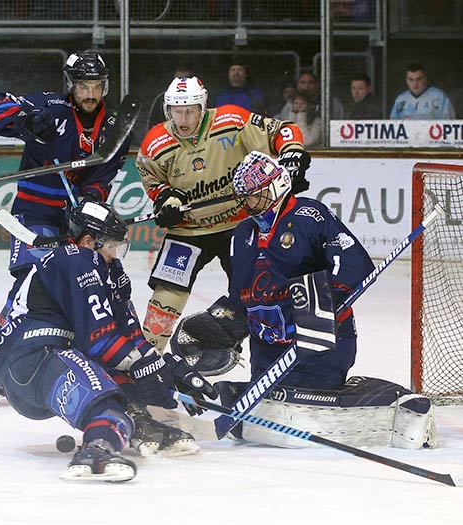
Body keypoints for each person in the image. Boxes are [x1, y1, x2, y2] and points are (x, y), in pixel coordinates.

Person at [171, 151, 436, 449]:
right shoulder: (242, 234)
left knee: (308, 399)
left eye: (254, 197)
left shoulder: (310, 216)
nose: (248, 205)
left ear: (274, 188)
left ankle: (396, 402)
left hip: (317, 344)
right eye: (244, 198)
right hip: (269, 351)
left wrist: (327, 300)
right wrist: (221, 322)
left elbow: (353, 264)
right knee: (273, 404)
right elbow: (242, 297)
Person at [0, 200, 217, 482]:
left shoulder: (109, 272)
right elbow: (99, 341)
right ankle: (95, 452)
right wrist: (149, 368)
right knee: (106, 403)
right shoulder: (75, 259)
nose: (116, 254)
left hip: (51, 360)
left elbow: (129, 336)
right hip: (31, 364)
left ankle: (136, 423)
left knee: (125, 390)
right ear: (89, 241)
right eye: (112, 247)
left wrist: (168, 368)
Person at [0, 50, 130, 403]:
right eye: (83, 86)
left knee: (85, 281)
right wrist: (25, 118)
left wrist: (89, 202)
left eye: (96, 86)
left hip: (76, 222)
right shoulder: (50, 108)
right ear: (71, 86)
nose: (90, 94)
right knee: (29, 285)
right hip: (35, 215)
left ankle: (75, 352)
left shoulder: (114, 128)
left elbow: (105, 175)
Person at [135, 76, 309, 352]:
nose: (183, 118)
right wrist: (165, 197)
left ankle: (271, 356)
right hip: (188, 229)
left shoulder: (231, 120)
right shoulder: (155, 143)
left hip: (240, 225)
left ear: (203, 107)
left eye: (190, 110)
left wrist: (293, 153)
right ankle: (147, 359)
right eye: (177, 111)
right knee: (167, 295)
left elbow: (282, 130)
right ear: (168, 110)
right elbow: (151, 178)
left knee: (254, 292)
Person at [389, 63, 456, 120]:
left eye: (419, 79)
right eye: (411, 80)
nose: (415, 84)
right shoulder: (400, 99)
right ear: (406, 80)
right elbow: (391, 127)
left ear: (425, 79)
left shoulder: (439, 96)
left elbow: (451, 125)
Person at [277, 69, 344, 120]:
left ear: (317, 85)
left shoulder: (331, 102)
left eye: (311, 82)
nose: (307, 86)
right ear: (298, 85)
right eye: (303, 82)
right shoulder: (290, 104)